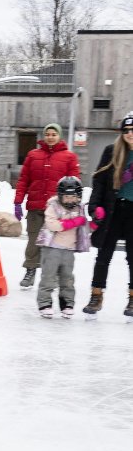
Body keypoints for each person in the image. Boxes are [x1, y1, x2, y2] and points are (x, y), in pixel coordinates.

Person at [13, 124, 80, 289]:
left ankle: (56, 274)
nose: (50, 137)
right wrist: (18, 201)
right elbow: (24, 180)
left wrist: (73, 205)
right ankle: (30, 270)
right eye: (47, 134)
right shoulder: (33, 155)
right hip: (35, 206)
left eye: (54, 134)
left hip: (58, 209)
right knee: (34, 240)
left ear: (59, 136)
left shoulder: (69, 156)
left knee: (57, 242)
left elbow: (75, 183)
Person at [84, 114, 133, 318]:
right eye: (126, 131)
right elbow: (99, 180)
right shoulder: (111, 151)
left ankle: (132, 299)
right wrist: (94, 206)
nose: (130, 134)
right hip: (112, 210)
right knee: (104, 256)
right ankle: (96, 295)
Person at [36, 176, 90, 319]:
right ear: (60, 195)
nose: (70, 200)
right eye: (66, 197)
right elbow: (51, 224)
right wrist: (71, 223)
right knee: (49, 277)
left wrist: (96, 221)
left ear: (79, 196)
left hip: (69, 250)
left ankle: (67, 304)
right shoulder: (53, 207)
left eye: (74, 197)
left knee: (67, 279)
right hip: (52, 248)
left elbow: (85, 227)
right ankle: (45, 304)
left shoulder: (80, 208)